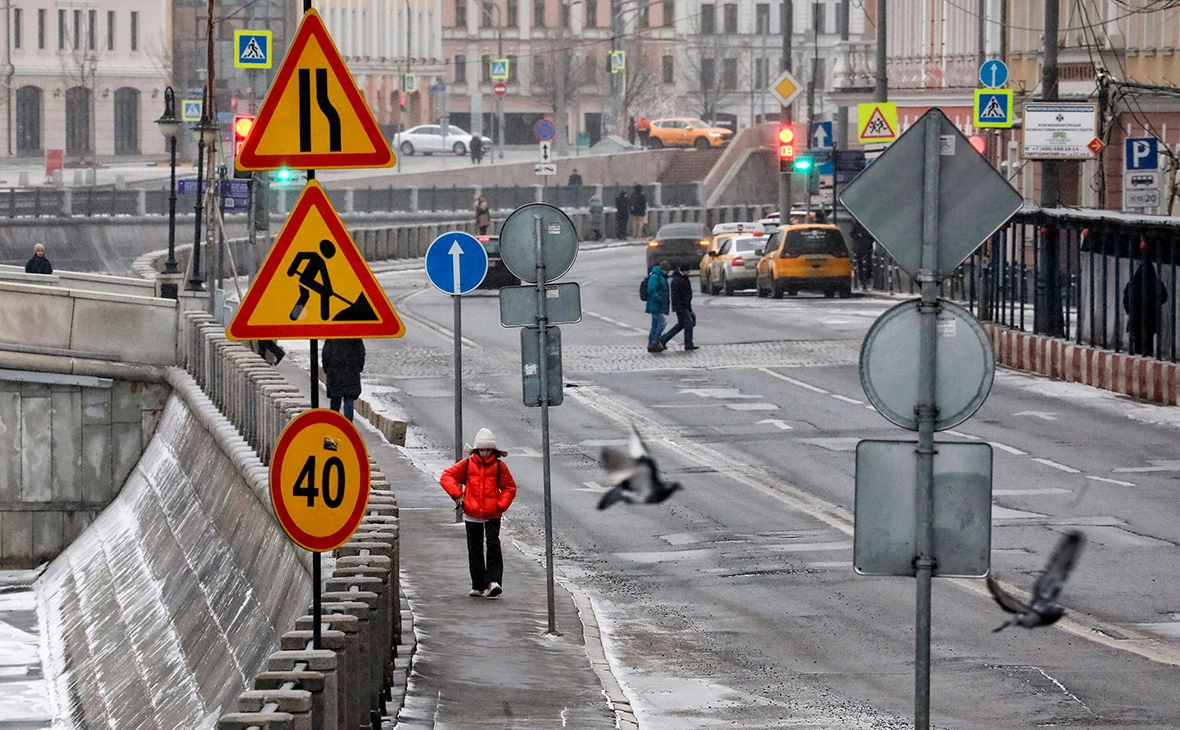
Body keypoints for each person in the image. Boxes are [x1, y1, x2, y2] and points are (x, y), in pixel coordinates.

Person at [440, 428, 518, 598]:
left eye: (488, 450)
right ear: (476, 450)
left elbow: (509, 487)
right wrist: (458, 495)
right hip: (471, 514)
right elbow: (447, 476)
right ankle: (478, 585)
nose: (484, 453)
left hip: (493, 514)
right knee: (474, 549)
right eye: (482, 450)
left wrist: (501, 505)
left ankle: (494, 582)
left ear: (493, 451)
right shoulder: (467, 464)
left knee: (493, 545)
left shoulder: (499, 466)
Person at [1123, 255, 1169, 357]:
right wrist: (1154, 304)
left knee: (1137, 340)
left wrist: (1130, 311)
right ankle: (1147, 355)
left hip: (1135, 317)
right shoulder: (1155, 283)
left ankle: (1139, 354)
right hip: (1150, 317)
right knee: (1148, 341)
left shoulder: (1132, 283)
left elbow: (1126, 299)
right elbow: (1164, 296)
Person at [321, 338, 365, 421]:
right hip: (351, 371)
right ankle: (348, 426)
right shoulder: (355, 336)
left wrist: (327, 368)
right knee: (349, 399)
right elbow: (361, 353)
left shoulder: (332, 337)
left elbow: (326, 354)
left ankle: (334, 424)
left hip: (335, 372)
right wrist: (358, 367)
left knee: (335, 400)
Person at [659, 263, 697, 351]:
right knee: (689, 323)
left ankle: (663, 339)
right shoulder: (678, 280)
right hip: (681, 306)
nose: (689, 272)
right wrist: (682, 305)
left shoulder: (682, 278)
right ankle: (688, 344)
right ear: (684, 271)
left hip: (685, 305)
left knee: (682, 324)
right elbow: (678, 296)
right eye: (688, 271)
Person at [645, 263, 670, 352]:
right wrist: (658, 298)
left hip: (657, 304)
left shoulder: (659, 276)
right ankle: (655, 341)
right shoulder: (656, 276)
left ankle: (651, 342)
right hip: (655, 304)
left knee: (655, 324)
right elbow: (651, 289)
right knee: (661, 323)